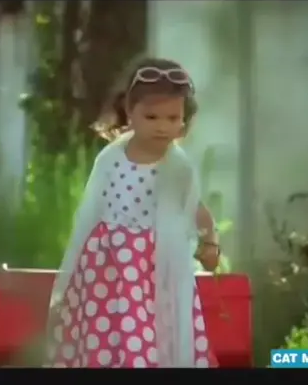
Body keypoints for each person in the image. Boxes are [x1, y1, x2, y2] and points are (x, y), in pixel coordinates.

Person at [47, 56, 220, 368]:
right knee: (107, 332)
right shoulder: (111, 157)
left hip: (153, 268)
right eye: (151, 116)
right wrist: (74, 272)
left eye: (172, 117)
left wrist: (210, 242)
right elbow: (90, 211)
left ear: (184, 119)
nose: (162, 126)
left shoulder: (177, 166)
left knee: (145, 335)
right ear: (130, 110)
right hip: (106, 266)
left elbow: (195, 207)